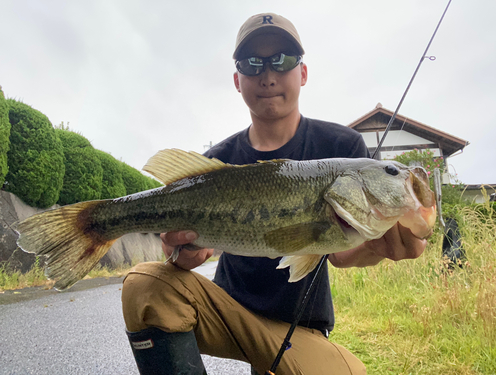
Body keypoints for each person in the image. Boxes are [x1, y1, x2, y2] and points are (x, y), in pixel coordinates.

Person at [121, 13, 427, 375]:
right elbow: (176, 252)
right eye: (253, 63)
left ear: (303, 73)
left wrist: (377, 246)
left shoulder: (342, 146)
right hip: (226, 315)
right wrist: (182, 252)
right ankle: (92, 224)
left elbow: (339, 256)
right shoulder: (216, 161)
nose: (268, 75)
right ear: (237, 80)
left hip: (300, 329)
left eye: (283, 60)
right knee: (143, 285)